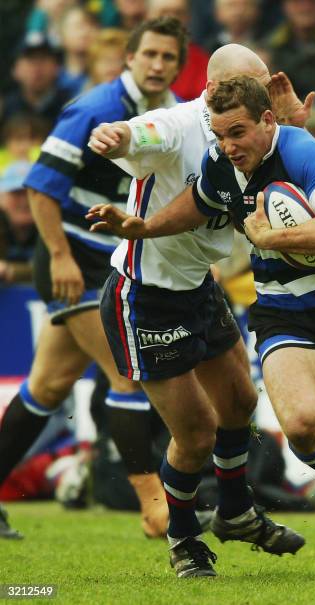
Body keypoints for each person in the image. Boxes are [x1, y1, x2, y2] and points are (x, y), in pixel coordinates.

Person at [88, 75, 315, 579]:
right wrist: (144, 225)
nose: (228, 147)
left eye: (238, 133)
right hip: (282, 309)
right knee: (300, 426)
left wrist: (273, 235)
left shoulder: (303, 151)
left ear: (268, 121)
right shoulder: (222, 161)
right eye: (220, 136)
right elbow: (198, 203)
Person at [85, 45, 312, 578]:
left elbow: (292, 178)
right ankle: (184, 539)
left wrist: (296, 127)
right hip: (144, 295)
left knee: (240, 401)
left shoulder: (256, 126)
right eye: (249, 85)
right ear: (212, 91)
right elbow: (145, 132)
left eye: (263, 88)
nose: (260, 97)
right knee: (197, 434)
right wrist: (118, 136)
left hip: (198, 286)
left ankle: (235, 511)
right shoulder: (183, 123)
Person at [0, 17, 184, 541]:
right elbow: (39, 188)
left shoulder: (171, 115)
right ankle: (154, 507)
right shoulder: (96, 109)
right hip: (69, 262)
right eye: (148, 53)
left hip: (108, 260)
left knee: (48, 385)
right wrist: (57, 254)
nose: (157, 64)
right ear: (129, 58)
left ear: (177, 64)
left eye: (168, 57)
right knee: (126, 373)